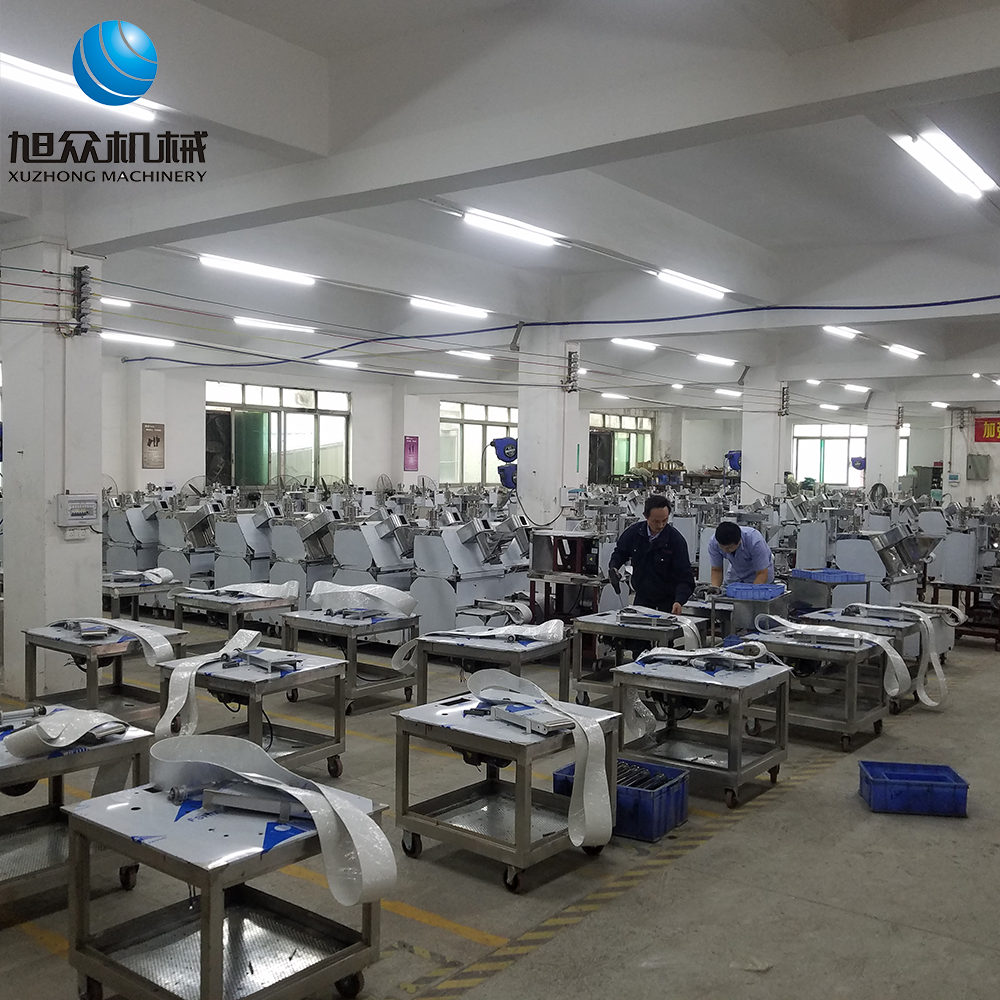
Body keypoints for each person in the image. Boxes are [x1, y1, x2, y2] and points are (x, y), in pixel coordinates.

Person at [608, 496, 695, 613]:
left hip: (668, 603)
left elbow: (685, 577)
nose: (661, 525)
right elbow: (620, 553)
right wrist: (614, 567)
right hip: (642, 599)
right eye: (656, 521)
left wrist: (679, 601)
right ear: (646, 516)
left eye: (665, 520)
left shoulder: (675, 541)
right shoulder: (634, 533)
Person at [708, 521, 775, 587]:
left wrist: (752, 591)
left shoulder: (755, 541)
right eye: (722, 547)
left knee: (756, 592)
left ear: (739, 541)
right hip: (736, 573)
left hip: (759, 573)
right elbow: (716, 569)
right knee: (727, 590)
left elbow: (762, 573)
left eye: (729, 548)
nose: (725, 550)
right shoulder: (714, 542)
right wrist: (715, 588)